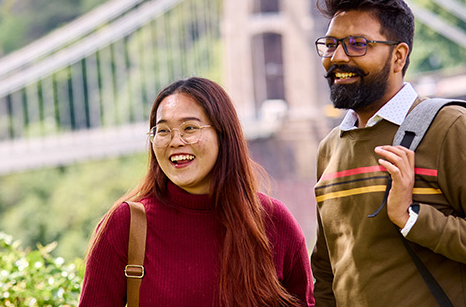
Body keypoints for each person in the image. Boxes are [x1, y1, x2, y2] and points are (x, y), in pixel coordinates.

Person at [310, 0, 466, 306]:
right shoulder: (329, 150)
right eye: (330, 44)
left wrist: (411, 218)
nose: (338, 57)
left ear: (398, 56)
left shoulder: (451, 127)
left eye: (357, 44)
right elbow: (326, 271)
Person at [79, 77, 314, 306]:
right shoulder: (126, 225)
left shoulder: (274, 222)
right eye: (162, 131)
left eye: (189, 128)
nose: (176, 141)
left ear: (223, 134)